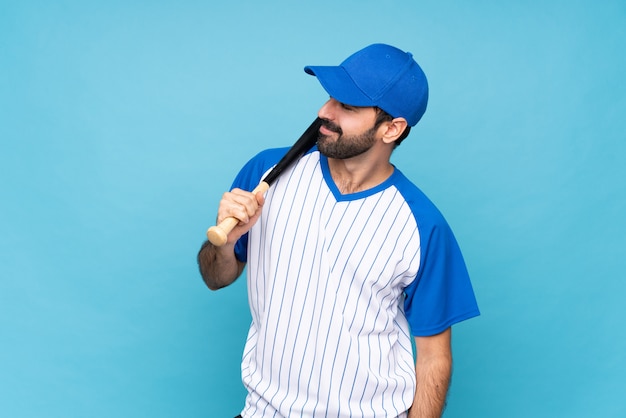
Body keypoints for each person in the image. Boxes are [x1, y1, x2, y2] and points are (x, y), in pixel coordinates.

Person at [197, 43, 480, 418]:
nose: (324, 112)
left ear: (392, 129)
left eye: (347, 106)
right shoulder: (267, 174)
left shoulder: (422, 225)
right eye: (331, 97)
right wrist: (225, 243)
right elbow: (215, 277)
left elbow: (433, 357)